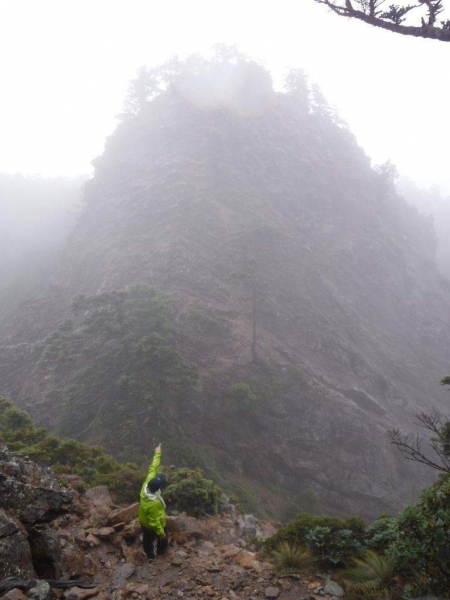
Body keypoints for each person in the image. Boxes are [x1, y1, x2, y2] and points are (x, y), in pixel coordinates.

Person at [139, 443, 169, 560]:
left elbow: (153, 468)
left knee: (147, 538)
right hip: (152, 524)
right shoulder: (154, 503)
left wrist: (158, 453)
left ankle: (149, 553)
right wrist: (161, 533)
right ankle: (160, 556)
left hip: (142, 520)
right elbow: (154, 522)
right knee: (163, 537)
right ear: (158, 488)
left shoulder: (147, 484)